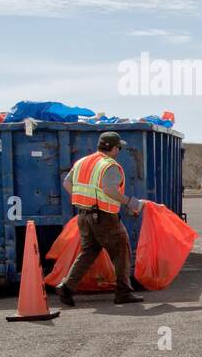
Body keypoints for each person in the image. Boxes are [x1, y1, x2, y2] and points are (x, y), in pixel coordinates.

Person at [52, 131, 144, 306]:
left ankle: (67, 287)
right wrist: (130, 202)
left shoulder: (82, 162)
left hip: (84, 215)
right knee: (121, 252)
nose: (119, 150)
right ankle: (123, 292)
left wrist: (81, 200)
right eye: (119, 147)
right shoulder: (109, 165)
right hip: (104, 217)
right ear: (114, 148)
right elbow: (109, 190)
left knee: (88, 252)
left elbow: (67, 183)